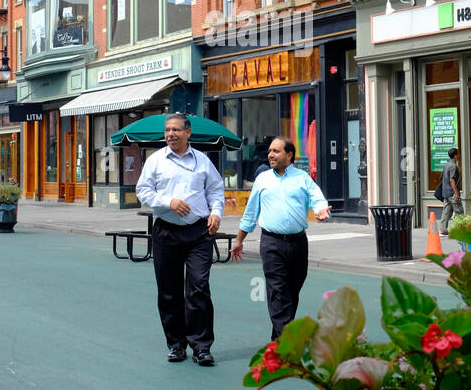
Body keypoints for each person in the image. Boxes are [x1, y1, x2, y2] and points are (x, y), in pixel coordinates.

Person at [135, 114, 224, 366]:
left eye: (175, 130)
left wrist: (216, 213)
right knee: (169, 291)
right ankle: (175, 344)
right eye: (167, 130)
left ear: (188, 133)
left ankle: (202, 347)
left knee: (198, 288)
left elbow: (216, 190)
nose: (170, 134)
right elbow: (142, 191)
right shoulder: (155, 161)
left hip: (199, 233)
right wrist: (168, 202)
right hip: (166, 231)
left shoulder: (203, 162)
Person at [232, 137, 330, 339]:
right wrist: (239, 239)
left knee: (292, 290)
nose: (270, 155)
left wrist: (321, 210)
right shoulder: (263, 179)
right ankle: (285, 341)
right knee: (278, 290)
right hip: (271, 243)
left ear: (289, 155)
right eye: (269, 151)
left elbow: (317, 198)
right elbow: (251, 212)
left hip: (298, 243)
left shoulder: (302, 178)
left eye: (276, 151)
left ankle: (279, 336)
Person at [438, 147, 463, 233]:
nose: (459, 156)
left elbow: (441, 177)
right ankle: (460, 231)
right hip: (452, 193)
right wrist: (456, 193)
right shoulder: (453, 166)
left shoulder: (447, 165)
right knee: (459, 212)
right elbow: (452, 180)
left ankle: (443, 230)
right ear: (455, 156)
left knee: (446, 212)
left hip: (446, 193)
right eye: (458, 154)